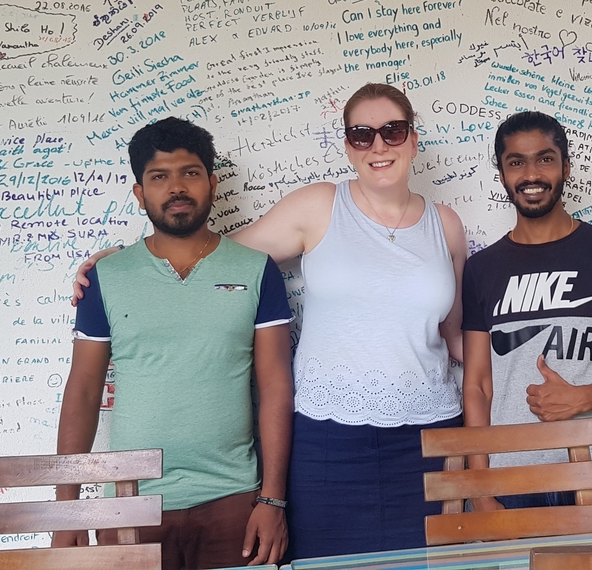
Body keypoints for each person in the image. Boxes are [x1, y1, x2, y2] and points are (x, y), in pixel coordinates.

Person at [73, 84, 469, 559]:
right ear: (347, 146)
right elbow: (220, 255)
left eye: (393, 130)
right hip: (328, 437)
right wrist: (129, 259)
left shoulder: (446, 224)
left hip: (430, 435)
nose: (379, 145)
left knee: (430, 565)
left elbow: (456, 338)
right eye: (362, 134)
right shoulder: (317, 206)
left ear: (413, 139)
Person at [54, 117, 294, 569]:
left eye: (190, 172)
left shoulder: (257, 271)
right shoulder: (106, 278)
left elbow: (276, 388)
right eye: (159, 177)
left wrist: (273, 501)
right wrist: (67, 507)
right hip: (129, 502)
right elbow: (83, 391)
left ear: (212, 183)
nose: (176, 187)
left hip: (233, 499)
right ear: (140, 193)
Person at [460, 112, 592, 529]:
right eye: (516, 162)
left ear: (566, 168)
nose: (531, 173)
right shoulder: (481, 269)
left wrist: (582, 398)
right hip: (509, 484)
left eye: (545, 158)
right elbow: (477, 384)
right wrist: (480, 490)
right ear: (502, 173)